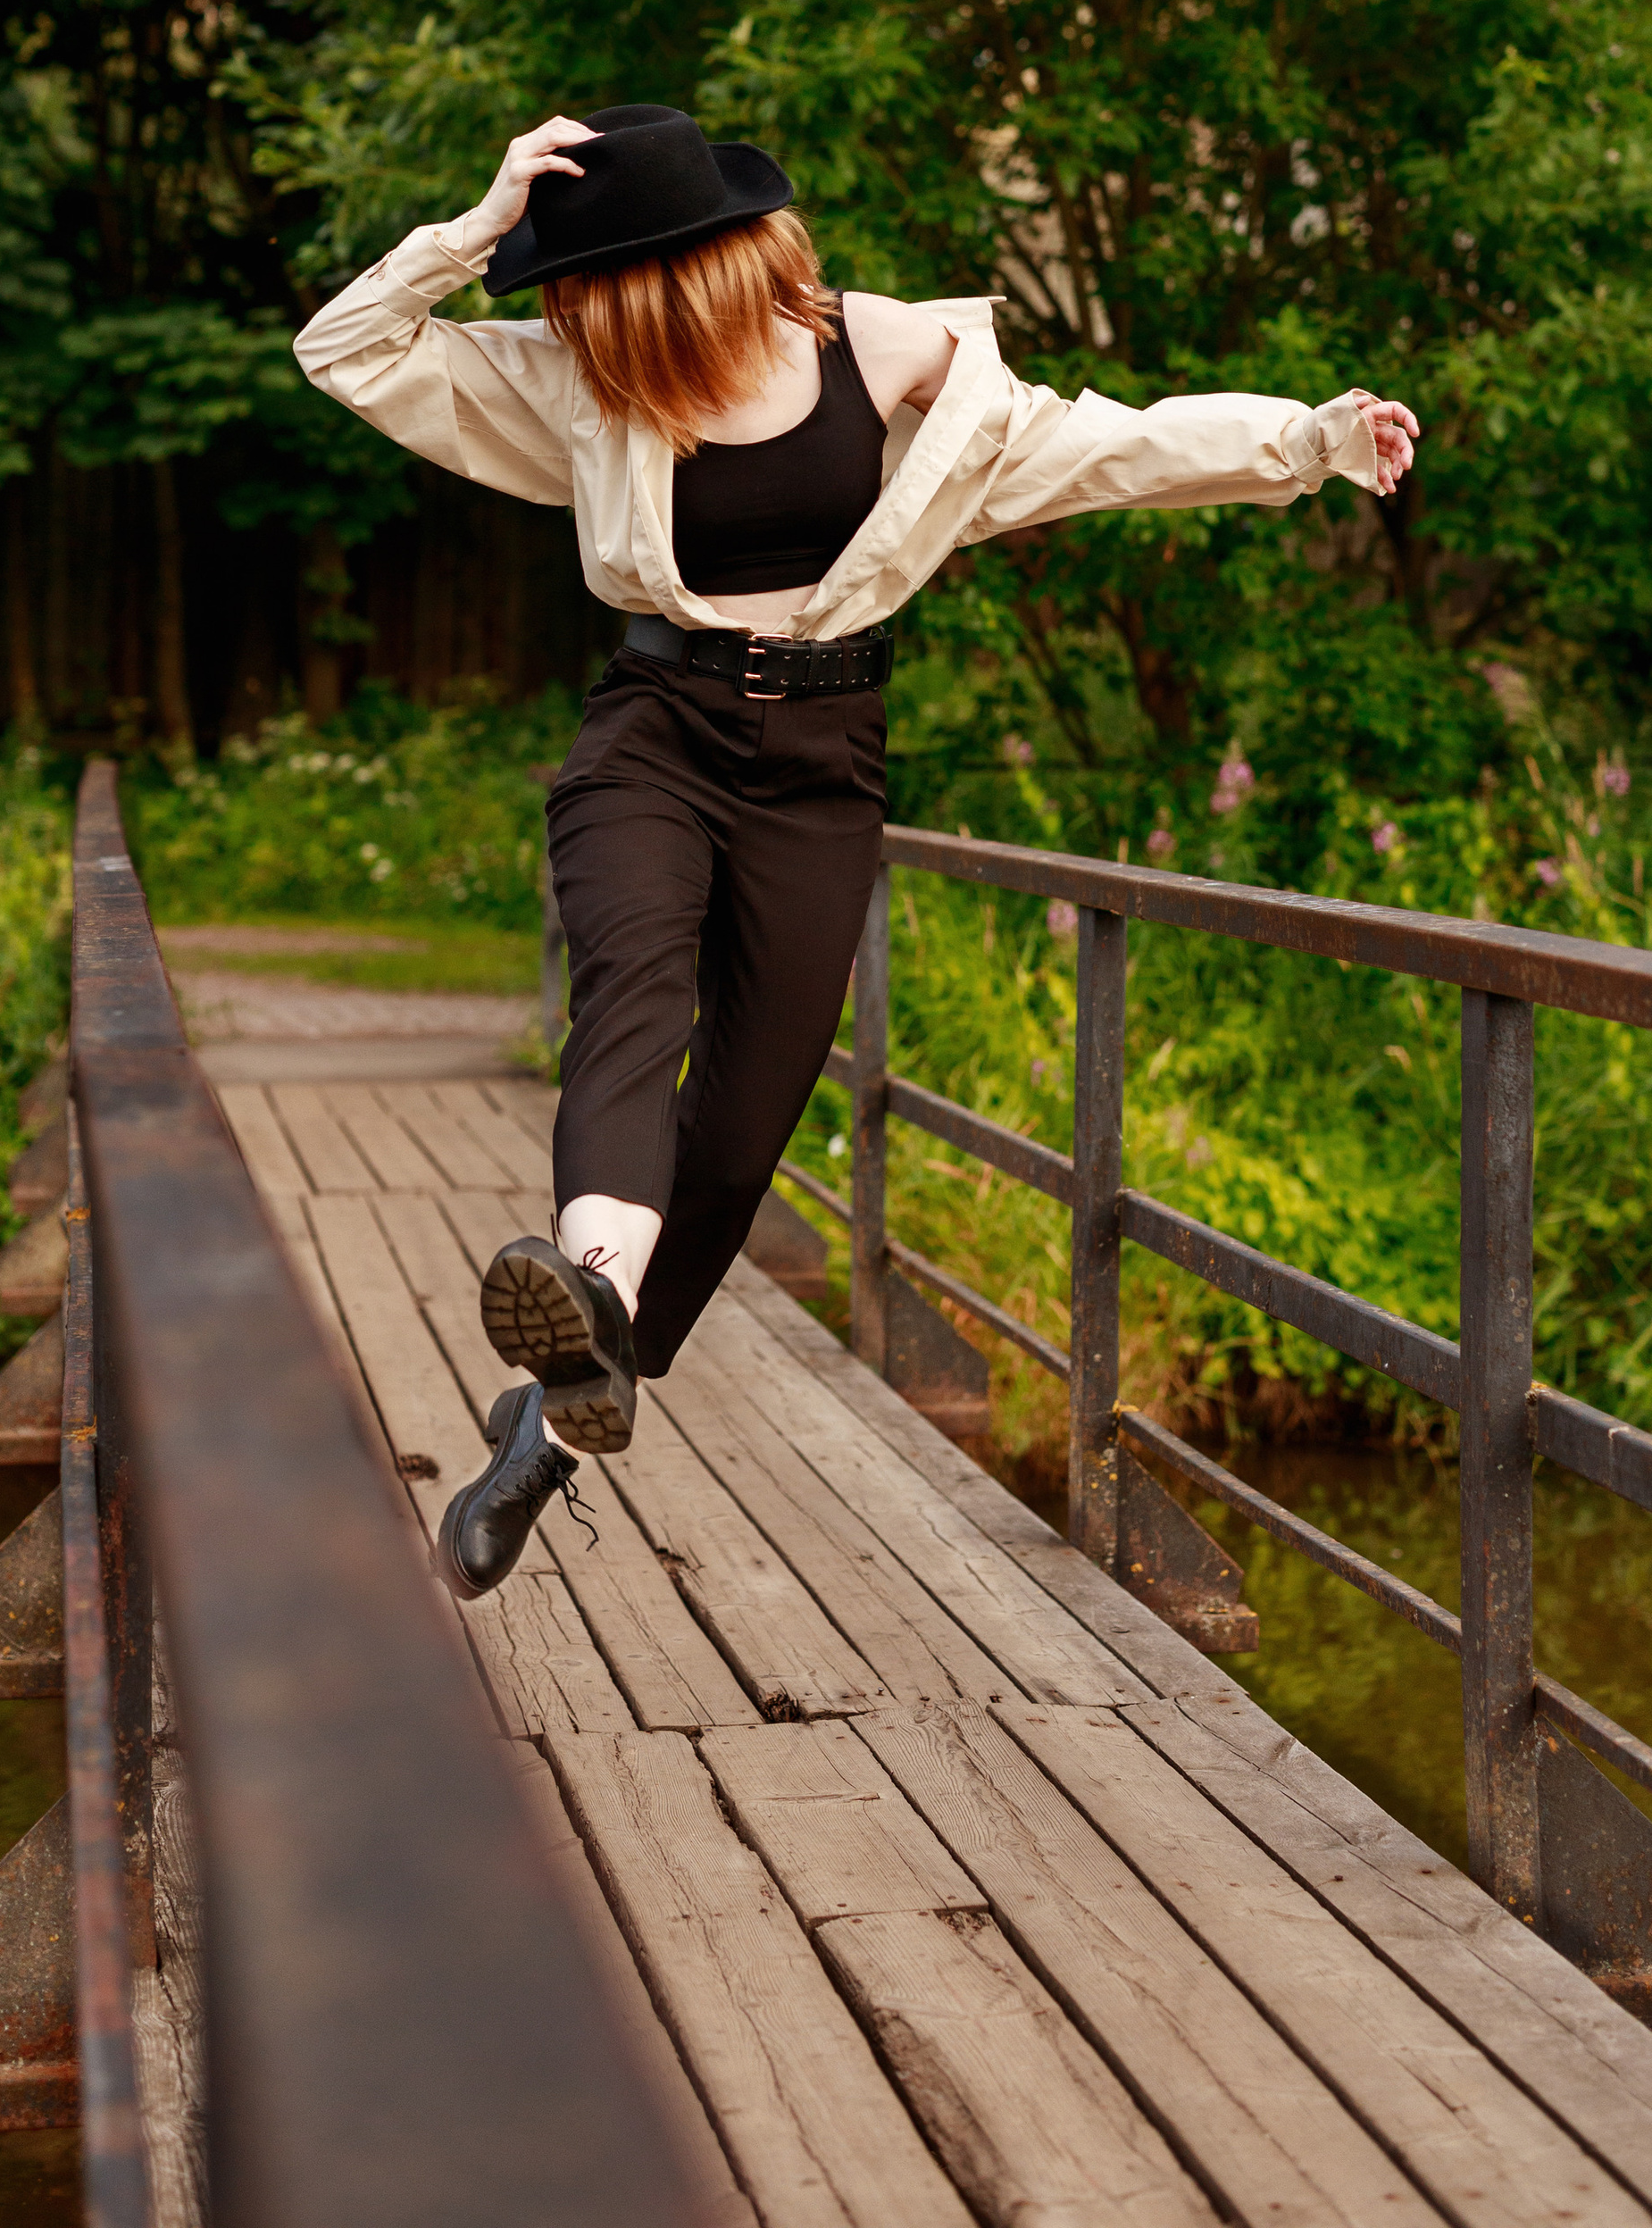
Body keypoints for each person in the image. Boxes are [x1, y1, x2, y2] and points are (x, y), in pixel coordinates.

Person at [294, 104, 1418, 1598]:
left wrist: (1309, 439)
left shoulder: (890, 359)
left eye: (583, 285)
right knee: (632, 1006)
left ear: (686, 274)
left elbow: (1107, 444)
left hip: (822, 770)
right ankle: (590, 1299)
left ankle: (552, 1429)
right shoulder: (592, 379)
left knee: (750, 1121)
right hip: (654, 730)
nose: (566, 314)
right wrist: (481, 221)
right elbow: (348, 351)